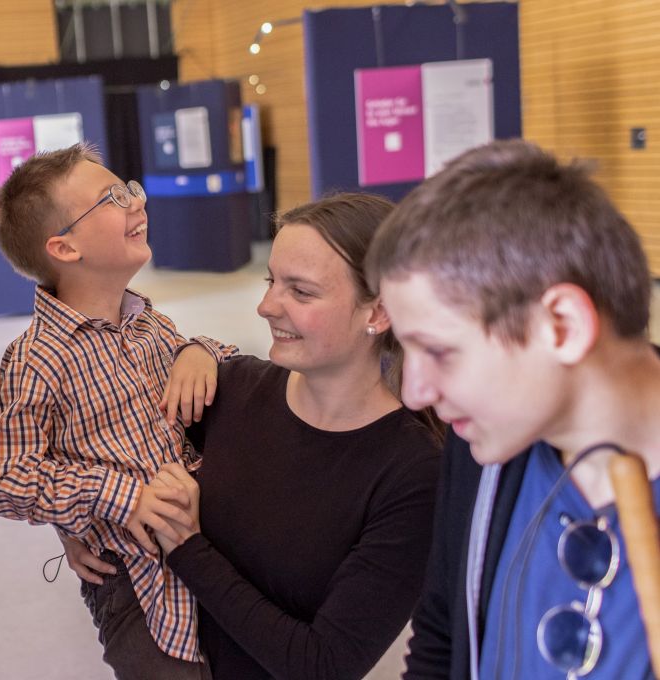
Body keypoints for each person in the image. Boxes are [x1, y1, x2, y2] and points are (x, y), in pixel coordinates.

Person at [62, 193, 444, 679]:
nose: (266, 306)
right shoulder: (227, 387)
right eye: (271, 281)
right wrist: (77, 525)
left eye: (301, 292)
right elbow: (98, 444)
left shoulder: (414, 473)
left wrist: (188, 548)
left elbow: (322, 664)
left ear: (379, 312)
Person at [366, 139, 660, 679]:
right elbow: (441, 631)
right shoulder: (483, 443)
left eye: (439, 351)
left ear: (562, 326)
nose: (414, 393)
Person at [0, 143, 237, 679]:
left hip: (210, 553)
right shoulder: (36, 359)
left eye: (131, 188)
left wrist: (199, 349)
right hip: (136, 587)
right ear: (65, 249)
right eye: (113, 198)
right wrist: (120, 496)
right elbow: (0, 477)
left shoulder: (149, 322)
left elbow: (214, 381)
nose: (137, 202)